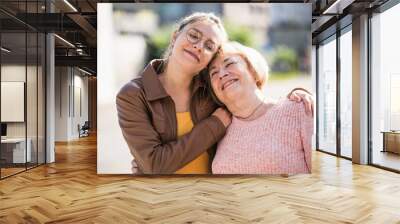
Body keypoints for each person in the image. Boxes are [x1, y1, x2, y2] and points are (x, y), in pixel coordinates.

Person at [116, 12, 313, 174]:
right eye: (194, 35)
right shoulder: (133, 95)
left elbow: (251, 100)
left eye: (209, 46)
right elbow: (155, 165)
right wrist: (214, 125)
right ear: (175, 36)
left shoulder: (210, 90)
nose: (199, 46)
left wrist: (298, 95)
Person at [208, 42, 313, 174]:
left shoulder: (300, 109)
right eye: (214, 73)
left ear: (253, 69)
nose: (222, 74)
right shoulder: (219, 128)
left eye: (229, 64)